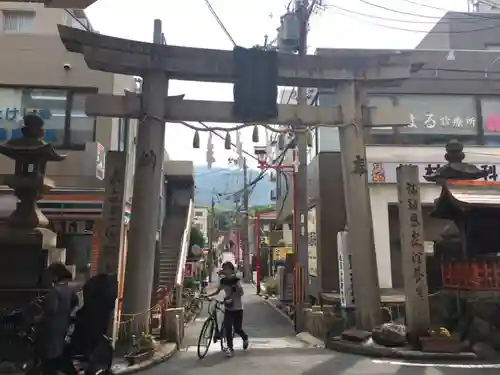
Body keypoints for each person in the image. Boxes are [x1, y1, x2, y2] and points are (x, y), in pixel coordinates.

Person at [36, 263, 79, 375]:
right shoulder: (69, 289)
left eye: (50, 275)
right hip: (63, 324)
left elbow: (51, 309)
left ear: (55, 276)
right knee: (58, 351)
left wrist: (38, 318)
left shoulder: (55, 291)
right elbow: (75, 302)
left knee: (48, 356)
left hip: (51, 327)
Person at [206, 261, 248, 356]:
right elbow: (217, 291)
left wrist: (233, 292)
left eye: (226, 268)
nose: (224, 270)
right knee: (228, 327)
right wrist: (208, 295)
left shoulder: (236, 280)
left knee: (237, 328)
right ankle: (230, 348)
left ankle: (245, 338)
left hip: (238, 308)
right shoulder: (224, 281)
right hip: (229, 308)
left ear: (231, 270)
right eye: (223, 268)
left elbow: (241, 293)